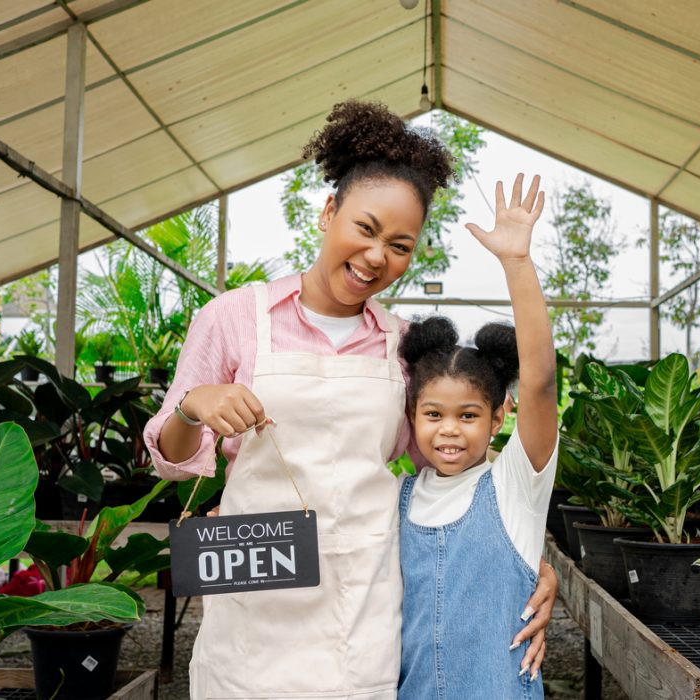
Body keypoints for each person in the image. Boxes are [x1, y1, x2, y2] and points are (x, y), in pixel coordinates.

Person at [143, 101, 557, 700]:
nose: (375, 258)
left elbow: (450, 474)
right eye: (365, 229)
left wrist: (525, 565)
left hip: (367, 609)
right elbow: (170, 456)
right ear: (329, 210)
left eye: (400, 245)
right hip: (256, 606)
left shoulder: (405, 345)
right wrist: (192, 406)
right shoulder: (235, 318)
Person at [396, 174, 557, 699]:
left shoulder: (516, 486)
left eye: (468, 415)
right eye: (432, 414)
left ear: (499, 417)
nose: (448, 430)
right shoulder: (396, 499)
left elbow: (539, 381)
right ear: (411, 415)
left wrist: (516, 263)